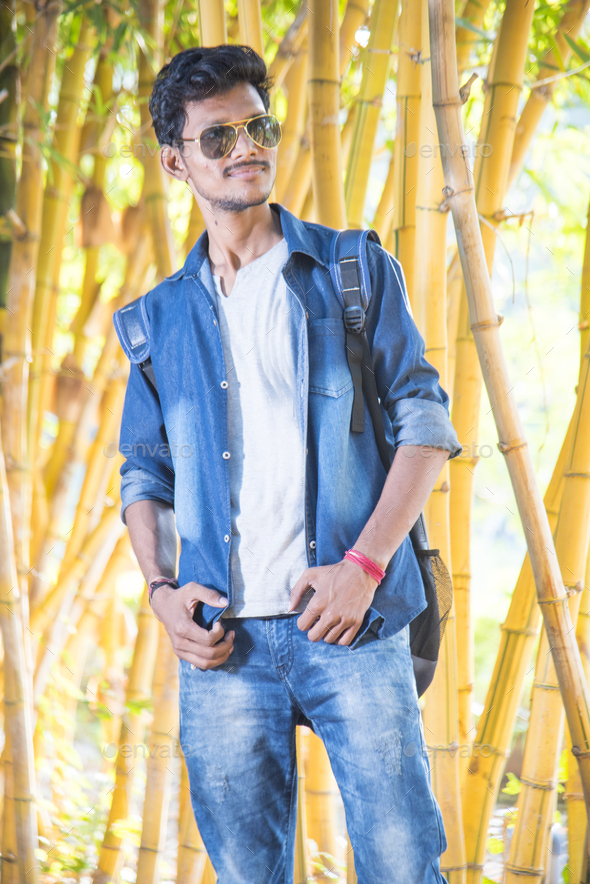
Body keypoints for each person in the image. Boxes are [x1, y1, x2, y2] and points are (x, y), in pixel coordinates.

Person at [116, 43, 462, 884]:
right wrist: (161, 594)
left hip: (351, 621)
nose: (246, 147)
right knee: (247, 874)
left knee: (402, 865)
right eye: (218, 136)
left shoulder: (350, 269)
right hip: (221, 643)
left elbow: (426, 427)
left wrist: (363, 567)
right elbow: (144, 475)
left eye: (258, 126)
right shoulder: (155, 319)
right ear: (175, 160)